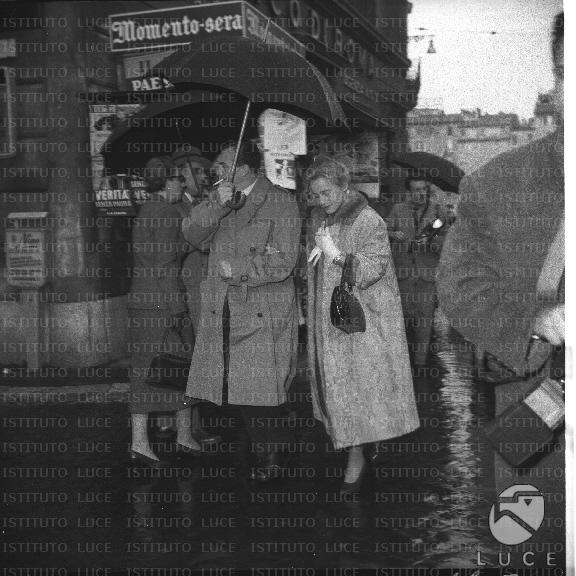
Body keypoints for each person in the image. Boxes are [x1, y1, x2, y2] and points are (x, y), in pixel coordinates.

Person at [437, 12, 564, 565]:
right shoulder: (498, 183)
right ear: (558, 80)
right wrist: (535, 320)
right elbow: (460, 284)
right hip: (544, 413)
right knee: (531, 550)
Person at [181, 141, 301, 482]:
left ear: (244, 168)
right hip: (224, 305)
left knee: (262, 385)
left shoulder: (280, 201)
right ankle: (260, 447)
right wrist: (216, 206)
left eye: (223, 163)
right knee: (235, 383)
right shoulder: (220, 197)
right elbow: (192, 234)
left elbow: (285, 261)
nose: (216, 169)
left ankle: (272, 454)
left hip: (263, 305)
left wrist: (239, 269)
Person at [306, 156, 420, 493]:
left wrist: (336, 255)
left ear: (344, 188)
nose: (321, 200)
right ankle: (362, 443)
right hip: (331, 323)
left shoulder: (369, 220)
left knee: (356, 388)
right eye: (316, 195)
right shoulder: (321, 219)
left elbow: (372, 269)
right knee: (344, 389)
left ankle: (356, 456)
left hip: (363, 323)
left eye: (326, 193)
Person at [127, 156, 202, 466]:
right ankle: (153, 441)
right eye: (179, 180)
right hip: (162, 304)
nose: (182, 186)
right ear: (168, 181)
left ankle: (158, 439)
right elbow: (165, 265)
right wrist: (177, 307)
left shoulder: (147, 209)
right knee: (179, 368)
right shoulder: (167, 212)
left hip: (143, 302)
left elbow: (157, 256)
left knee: (151, 372)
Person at [386, 178, 447, 369]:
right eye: (415, 190)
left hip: (426, 275)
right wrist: (393, 234)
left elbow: (447, 242)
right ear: (408, 192)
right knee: (401, 320)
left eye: (423, 189)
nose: (420, 194)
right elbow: (383, 232)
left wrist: (430, 242)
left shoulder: (438, 211)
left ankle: (420, 364)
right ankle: (401, 365)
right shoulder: (398, 210)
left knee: (424, 321)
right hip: (403, 274)